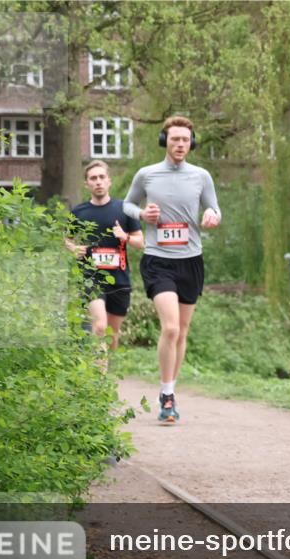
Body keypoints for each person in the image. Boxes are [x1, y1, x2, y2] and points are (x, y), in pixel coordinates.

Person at [123, 116, 221, 423]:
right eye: (175, 139)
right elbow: (125, 205)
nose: (180, 144)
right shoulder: (147, 174)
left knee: (182, 332)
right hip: (158, 259)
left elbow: (215, 208)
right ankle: (166, 396)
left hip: (191, 260)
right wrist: (141, 213)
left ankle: (170, 389)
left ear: (192, 142)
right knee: (171, 327)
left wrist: (211, 215)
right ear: (165, 141)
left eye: (185, 139)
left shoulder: (201, 176)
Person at [68, 160, 144, 351]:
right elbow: (65, 239)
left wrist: (125, 236)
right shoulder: (79, 212)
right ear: (87, 184)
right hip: (91, 276)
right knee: (100, 327)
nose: (98, 181)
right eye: (93, 178)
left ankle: (108, 373)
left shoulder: (125, 208)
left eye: (102, 177)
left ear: (109, 181)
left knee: (112, 333)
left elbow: (140, 242)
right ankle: (100, 379)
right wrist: (72, 249)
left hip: (119, 278)